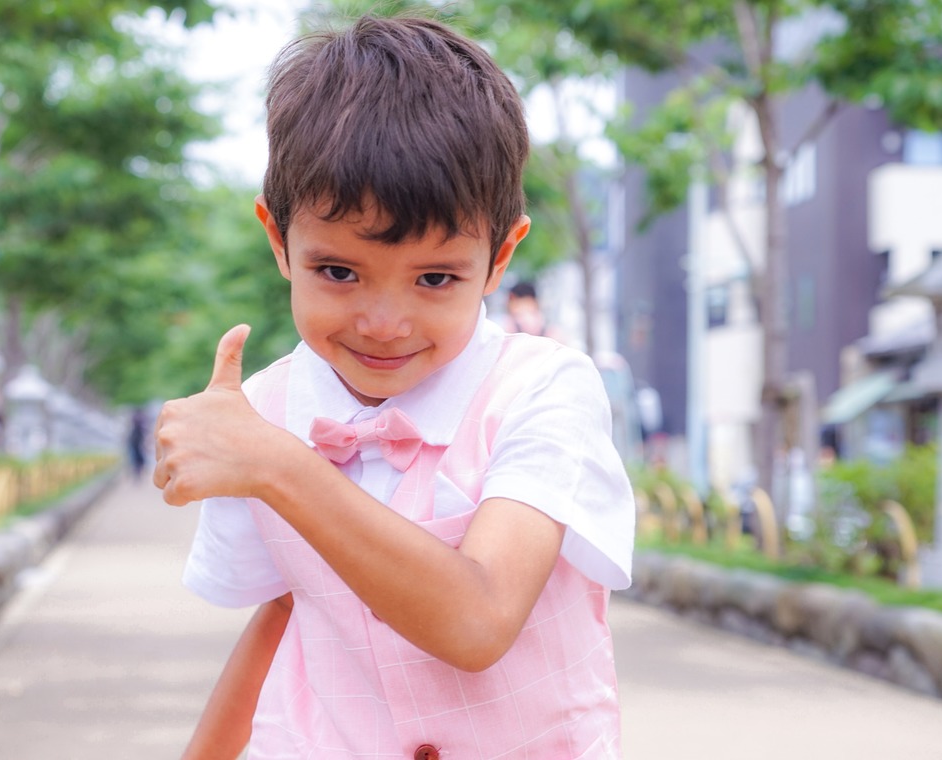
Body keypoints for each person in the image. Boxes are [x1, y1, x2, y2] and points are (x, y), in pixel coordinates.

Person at [153, 14, 635, 759]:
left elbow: (479, 621)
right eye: (338, 272)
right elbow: (286, 616)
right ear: (278, 240)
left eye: (435, 278)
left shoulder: (544, 390)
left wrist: (279, 466)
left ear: (501, 255)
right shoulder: (264, 413)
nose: (384, 322)